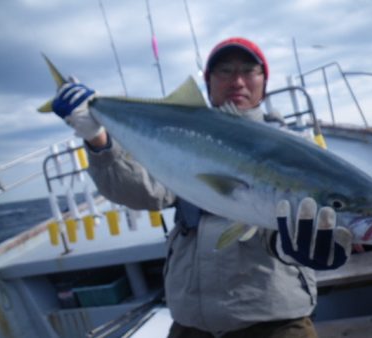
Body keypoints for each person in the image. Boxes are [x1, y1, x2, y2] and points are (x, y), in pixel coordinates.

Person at [52, 37, 352, 338]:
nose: (237, 80)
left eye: (249, 70)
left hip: (275, 321)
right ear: (207, 82)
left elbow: (309, 225)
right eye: (224, 71)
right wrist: (98, 140)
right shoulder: (177, 137)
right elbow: (141, 191)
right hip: (190, 323)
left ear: (264, 80)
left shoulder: (296, 150)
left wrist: (305, 245)